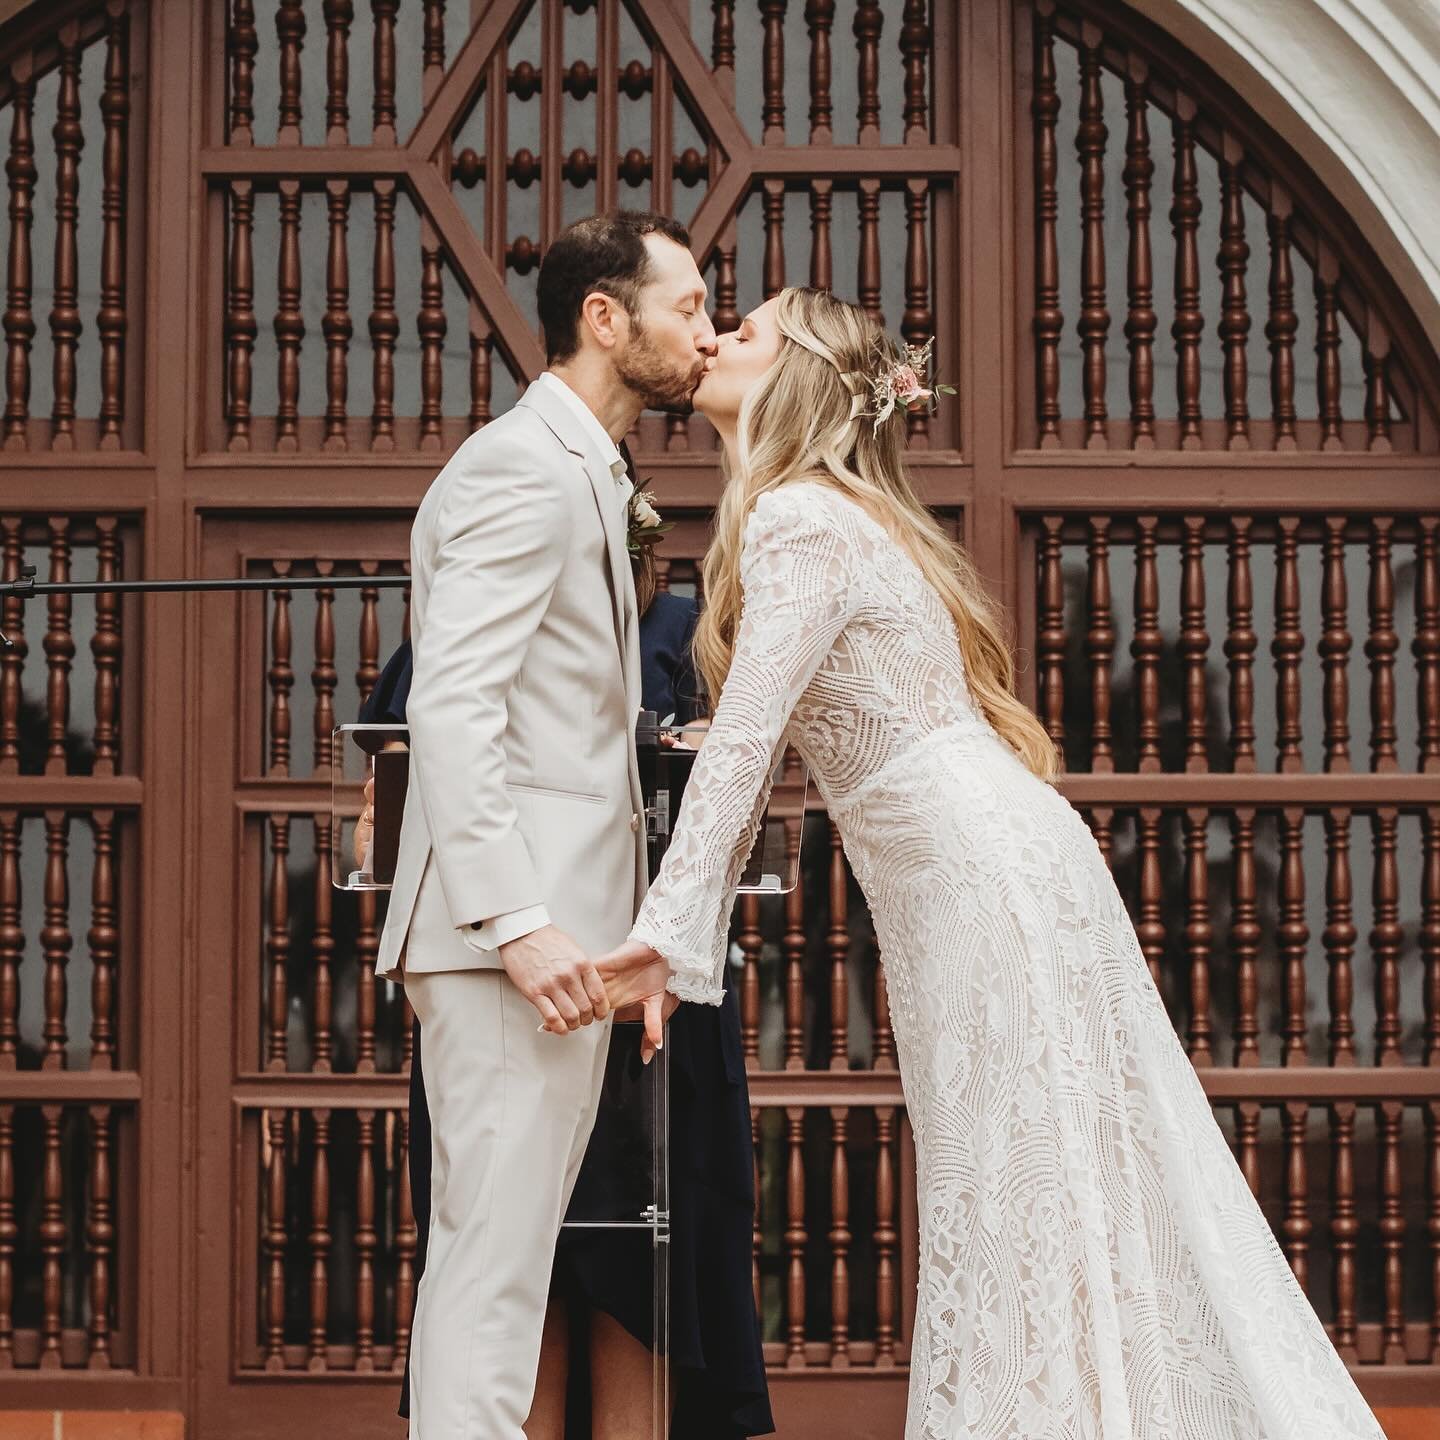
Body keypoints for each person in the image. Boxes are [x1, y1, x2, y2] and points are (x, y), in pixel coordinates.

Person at [596, 287, 1387, 1439]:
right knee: (1050, 1163)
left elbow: (752, 747)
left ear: (800, 378)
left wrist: (670, 938)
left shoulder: (800, 520)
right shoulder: (825, 515)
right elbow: (781, 725)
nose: (715, 339)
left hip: (977, 879)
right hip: (992, 864)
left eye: (748, 330)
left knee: (1014, 1172)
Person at [373, 209, 716, 1438]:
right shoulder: (522, 465)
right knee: (491, 1269)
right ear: (604, 318)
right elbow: (451, 704)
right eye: (687, 306)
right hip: (509, 946)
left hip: (566, 949)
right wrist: (517, 921)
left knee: (504, 1267)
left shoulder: (593, 470)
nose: (707, 331)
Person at [357, 534, 773, 1438]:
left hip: (652, 1011)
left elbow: (741, 806)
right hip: (504, 1002)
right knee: (512, 1265)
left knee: (647, 1288)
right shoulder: (454, 638)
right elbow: (373, 839)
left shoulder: (685, 632)